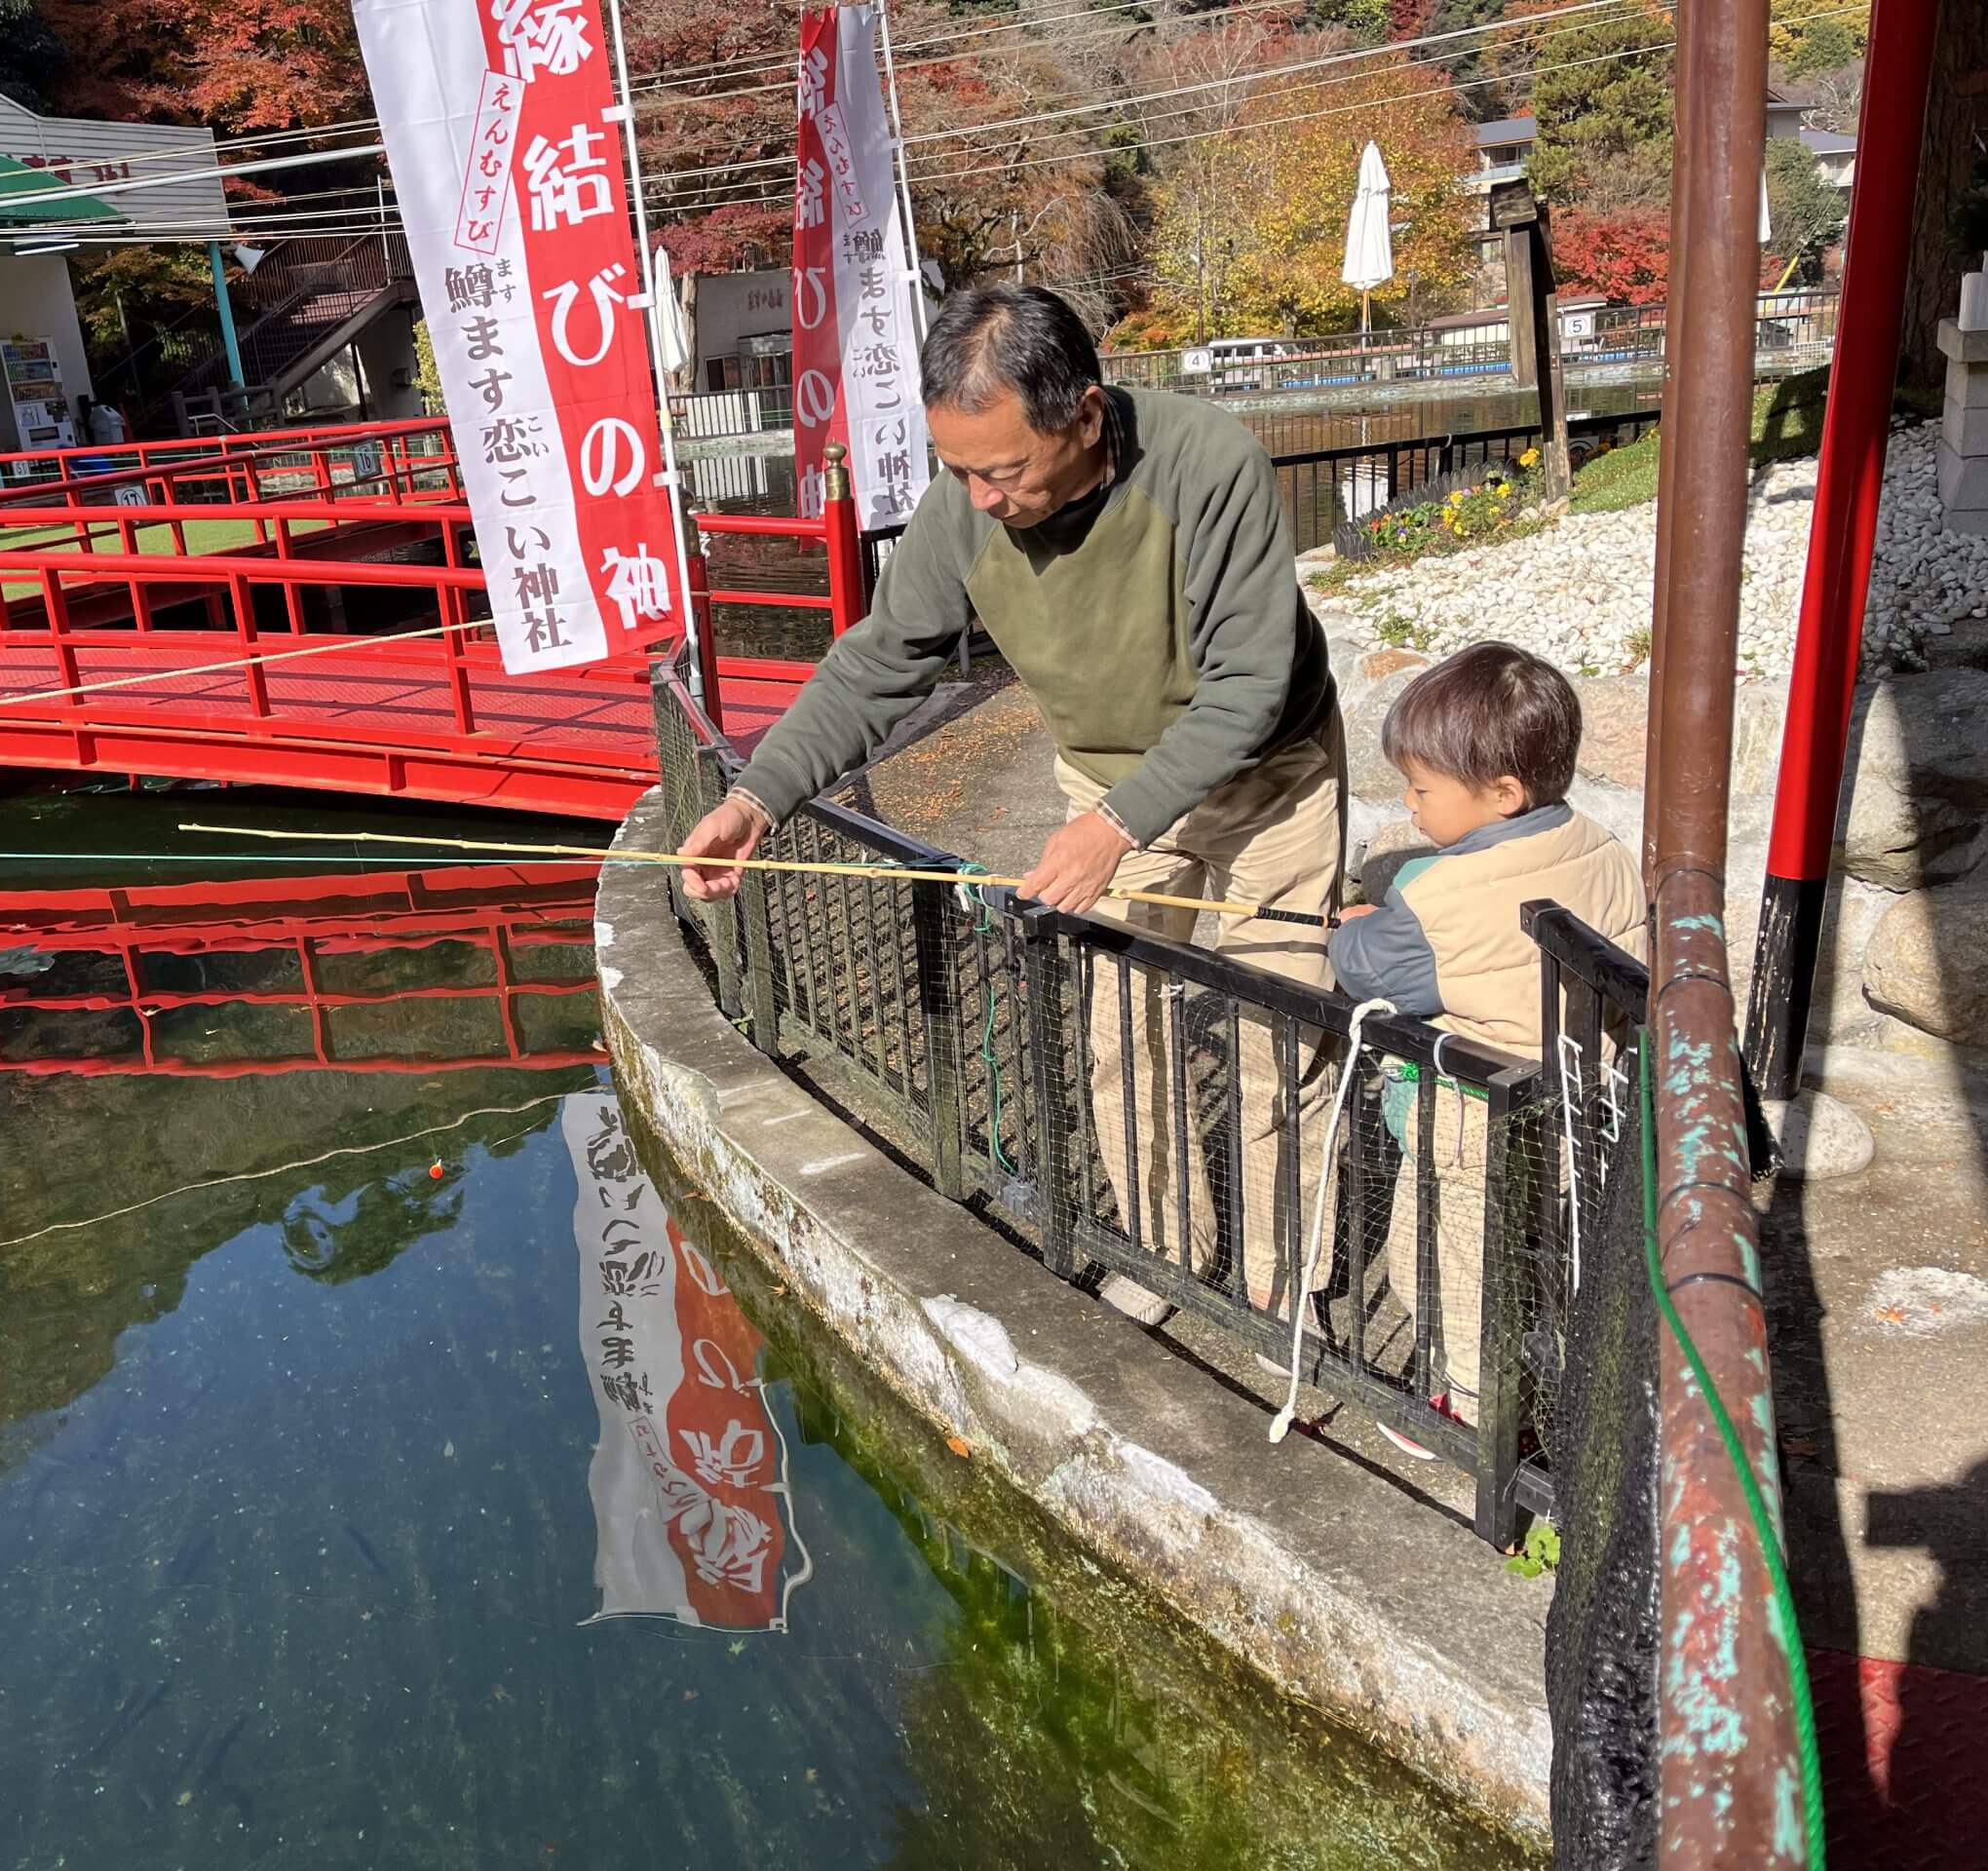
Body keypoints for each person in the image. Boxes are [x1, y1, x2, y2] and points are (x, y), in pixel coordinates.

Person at [677, 285, 1346, 1320]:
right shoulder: (966, 511)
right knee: (1123, 1036)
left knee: (1279, 1034)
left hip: (1271, 776)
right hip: (1102, 776)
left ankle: (1280, 1275)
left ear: (1083, 415)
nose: (980, 498)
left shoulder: (1208, 461)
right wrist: (759, 798)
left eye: (1003, 470)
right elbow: (876, 666)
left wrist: (1117, 827)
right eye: (958, 471)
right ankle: (1166, 1250)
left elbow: (1249, 686)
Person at [1327, 642, 1644, 1456]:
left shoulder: (1439, 892)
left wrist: (1359, 931)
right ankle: (1548, 1388)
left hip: (1476, 1131)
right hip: (1581, 1113)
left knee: (1450, 1264)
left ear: (1502, 793)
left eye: (1423, 788)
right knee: (1547, 1266)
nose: (1410, 803)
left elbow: (1369, 974)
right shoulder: (1603, 846)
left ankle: (1474, 1418)